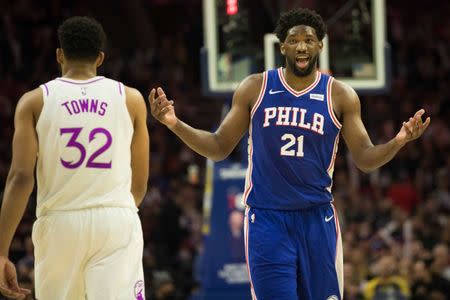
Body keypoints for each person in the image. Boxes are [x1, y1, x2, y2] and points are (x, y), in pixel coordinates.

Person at [150, 7, 430, 300]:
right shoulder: (255, 88)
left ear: (320, 45)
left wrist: (398, 141)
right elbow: (219, 147)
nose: (301, 46)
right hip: (267, 221)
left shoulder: (340, 95)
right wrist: (174, 123)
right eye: (294, 40)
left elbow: (365, 158)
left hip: (317, 220)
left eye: (309, 40)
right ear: (281, 45)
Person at [0, 16, 149, 299]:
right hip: (115, 218)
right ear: (101, 57)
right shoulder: (131, 99)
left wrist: (1, 251)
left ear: (59, 54)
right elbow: (139, 185)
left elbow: (20, 178)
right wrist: (112, 212)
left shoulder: (33, 101)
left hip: (59, 224)